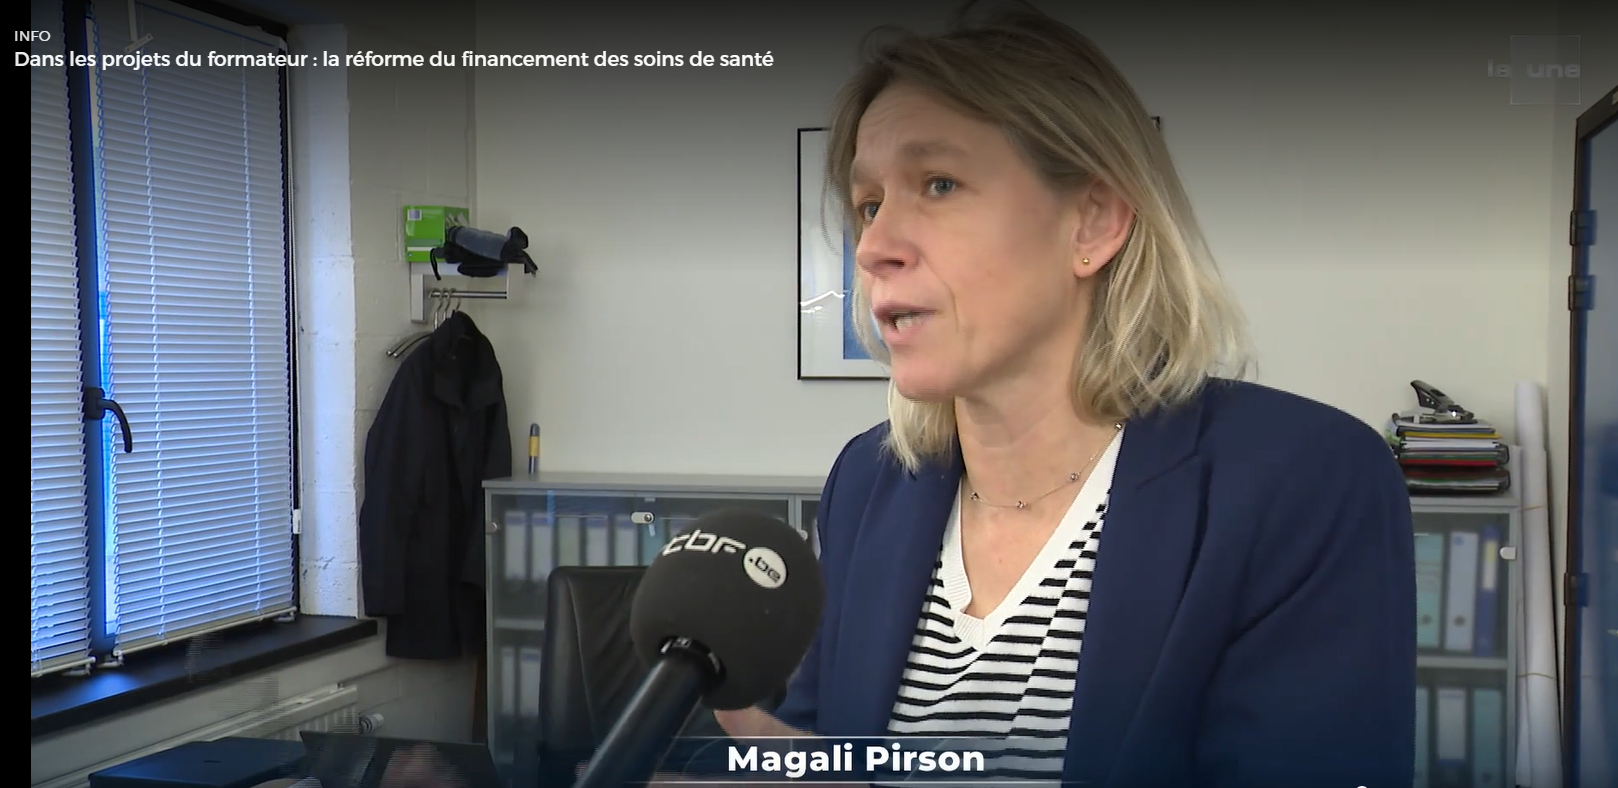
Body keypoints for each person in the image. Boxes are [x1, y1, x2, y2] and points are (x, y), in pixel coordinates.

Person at [377, 1, 1416, 786]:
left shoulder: (1302, 481)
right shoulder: (870, 484)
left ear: (1093, 222)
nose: (873, 245)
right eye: (867, 203)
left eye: (939, 184)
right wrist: (752, 757)